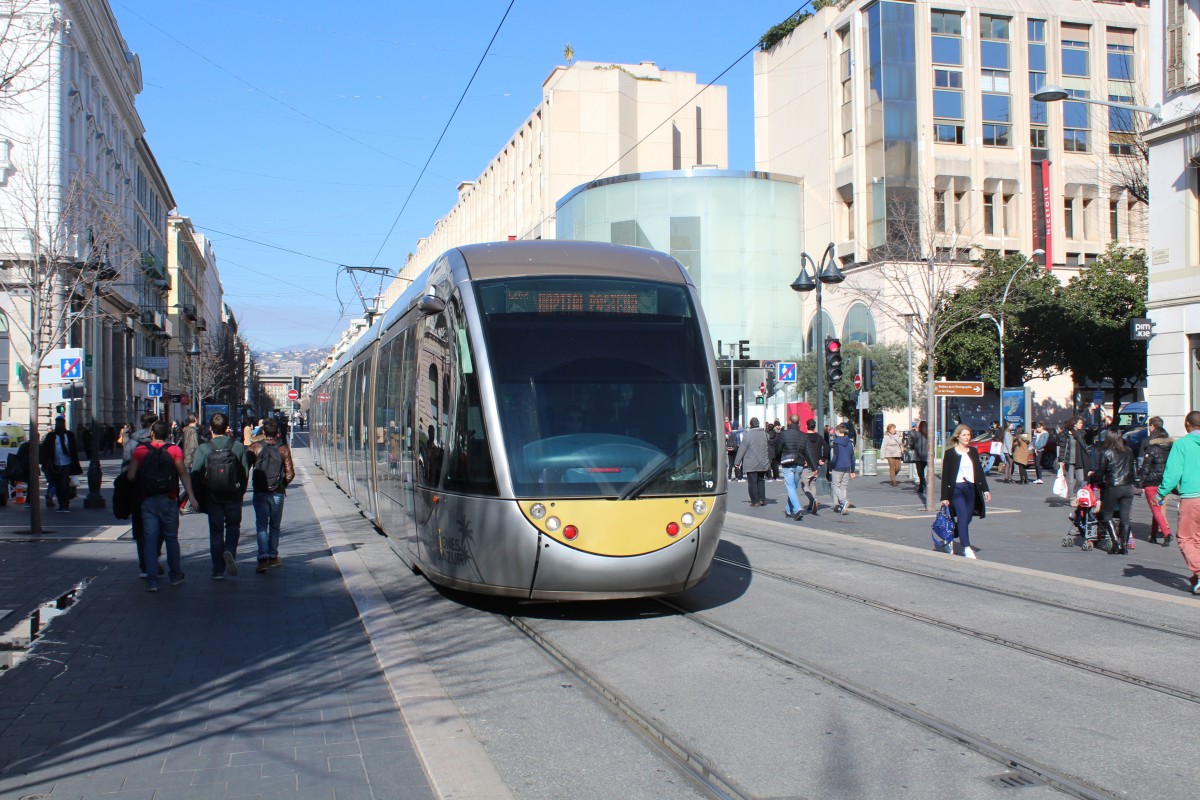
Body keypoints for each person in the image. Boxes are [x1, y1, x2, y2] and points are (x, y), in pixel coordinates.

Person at [126, 421, 198, 591]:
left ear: (152, 433)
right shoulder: (174, 450)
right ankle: (175, 575)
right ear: (167, 434)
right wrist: (192, 496)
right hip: (169, 499)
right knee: (171, 539)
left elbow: (130, 476)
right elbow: (182, 473)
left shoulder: (140, 450)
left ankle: (152, 580)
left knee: (150, 540)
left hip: (148, 501)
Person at [191, 413, 251, 580]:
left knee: (216, 531)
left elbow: (195, 475)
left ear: (210, 428)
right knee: (233, 527)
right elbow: (245, 472)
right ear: (227, 428)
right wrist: (241, 492)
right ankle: (230, 551)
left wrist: (197, 498)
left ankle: (217, 569)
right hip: (233, 495)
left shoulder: (204, 448)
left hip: (213, 496)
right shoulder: (237, 446)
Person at [1156, 410, 1200, 594]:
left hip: (1192, 496)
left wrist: (1160, 494)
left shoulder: (1182, 444)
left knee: (1185, 537)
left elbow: (1173, 473)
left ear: (1187, 424)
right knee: (1197, 539)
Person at [247, 419, 295, 573]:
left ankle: (262, 558)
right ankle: (273, 556)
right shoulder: (283, 449)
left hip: (260, 491)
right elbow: (290, 473)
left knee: (261, 525)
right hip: (277, 492)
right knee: (274, 525)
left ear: (263, 432)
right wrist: (282, 484)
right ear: (277, 433)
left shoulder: (255, 447)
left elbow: (245, 468)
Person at [940, 424, 992, 558]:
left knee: (967, 518)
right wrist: (944, 496)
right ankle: (966, 547)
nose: (967, 437)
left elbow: (979, 472)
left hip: (971, 488)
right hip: (956, 489)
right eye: (964, 435)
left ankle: (950, 536)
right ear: (957, 436)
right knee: (962, 516)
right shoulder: (950, 453)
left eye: (968, 435)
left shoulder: (973, 452)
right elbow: (945, 476)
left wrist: (985, 489)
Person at [1090, 429, 1136, 554]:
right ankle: (1125, 546)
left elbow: (1100, 473)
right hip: (1128, 486)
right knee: (1125, 517)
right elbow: (1132, 468)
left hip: (1113, 487)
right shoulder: (1128, 450)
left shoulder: (1106, 453)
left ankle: (1116, 543)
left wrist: (1092, 477)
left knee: (1107, 515)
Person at [1137, 426, 1173, 546]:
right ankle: (1153, 534)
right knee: (1156, 507)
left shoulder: (1151, 449)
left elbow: (1145, 469)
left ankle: (1167, 534)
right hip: (1164, 483)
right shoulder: (1171, 448)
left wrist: (1140, 483)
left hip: (1151, 483)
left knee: (1156, 509)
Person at [39, 416, 81, 512]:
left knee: (64, 484)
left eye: (62, 423)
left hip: (67, 463)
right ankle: (61, 504)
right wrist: (44, 464)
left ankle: (65, 504)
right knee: (58, 486)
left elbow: (73, 450)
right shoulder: (51, 436)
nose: (60, 425)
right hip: (55, 465)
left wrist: (75, 465)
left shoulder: (69, 435)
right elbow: (45, 450)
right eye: (58, 423)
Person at [774, 415, 807, 521]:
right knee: (793, 488)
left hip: (788, 463)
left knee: (790, 487)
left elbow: (778, 449)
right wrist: (814, 466)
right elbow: (808, 450)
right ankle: (788, 510)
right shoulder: (803, 435)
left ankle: (797, 509)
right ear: (799, 422)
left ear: (789, 421)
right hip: (800, 463)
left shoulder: (784, 434)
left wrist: (777, 460)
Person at [734, 417, 770, 507]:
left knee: (752, 482)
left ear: (751, 425)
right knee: (761, 481)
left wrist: (737, 462)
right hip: (763, 462)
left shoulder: (748, 435)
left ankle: (755, 501)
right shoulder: (765, 434)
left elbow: (742, 450)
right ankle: (762, 499)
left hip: (751, 462)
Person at [828, 424, 856, 514]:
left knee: (835, 485)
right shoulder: (849, 442)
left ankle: (843, 501)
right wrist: (853, 470)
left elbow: (835, 456)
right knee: (843, 486)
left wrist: (830, 467)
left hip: (838, 466)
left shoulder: (835, 442)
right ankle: (842, 506)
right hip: (847, 466)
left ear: (837, 431)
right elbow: (852, 456)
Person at [802, 419, 826, 515]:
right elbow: (827, 447)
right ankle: (812, 504)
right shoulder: (819, 437)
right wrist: (823, 459)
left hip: (806, 464)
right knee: (812, 484)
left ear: (807, 426)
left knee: (804, 485)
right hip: (816, 464)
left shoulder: (804, 437)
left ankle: (813, 500)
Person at [178, 413, 200, 513]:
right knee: (189, 484)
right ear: (195, 419)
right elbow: (193, 446)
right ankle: (178, 503)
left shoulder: (185, 429)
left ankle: (183, 504)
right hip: (190, 460)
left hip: (185, 458)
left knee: (190, 483)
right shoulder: (193, 431)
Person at [911, 421, 929, 495]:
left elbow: (912, 443)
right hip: (927, 455)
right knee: (924, 470)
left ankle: (922, 484)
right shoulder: (929, 434)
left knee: (920, 471)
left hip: (918, 455)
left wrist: (912, 447)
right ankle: (923, 483)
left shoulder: (916, 434)